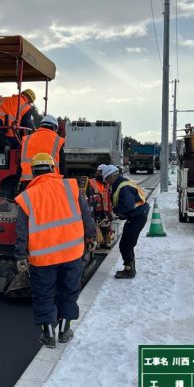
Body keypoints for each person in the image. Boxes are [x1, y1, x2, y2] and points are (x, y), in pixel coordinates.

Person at [15, 153, 97, 348]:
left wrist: (20, 256)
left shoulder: (26, 197)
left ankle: (48, 333)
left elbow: (21, 231)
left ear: (33, 172)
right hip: (72, 253)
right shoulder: (71, 187)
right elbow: (86, 216)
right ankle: (64, 329)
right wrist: (91, 237)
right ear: (53, 169)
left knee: (44, 294)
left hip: (42, 258)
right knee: (69, 291)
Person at [101, 164, 150, 279]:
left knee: (126, 244)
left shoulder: (123, 187)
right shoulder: (122, 184)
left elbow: (127, 206)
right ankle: (130, 268)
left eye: (107, 180)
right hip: (137, 215)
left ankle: (129, 271)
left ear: (112, 177)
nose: (107, 183)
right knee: (127, 243)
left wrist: (115, 211)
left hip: (137, 217)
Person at [19, 114, 66, 183]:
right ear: (54, 128)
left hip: (27, 182)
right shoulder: (57, 141)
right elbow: (62, 166)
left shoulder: (27, 139)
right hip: (50, 181)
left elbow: (19, 164)